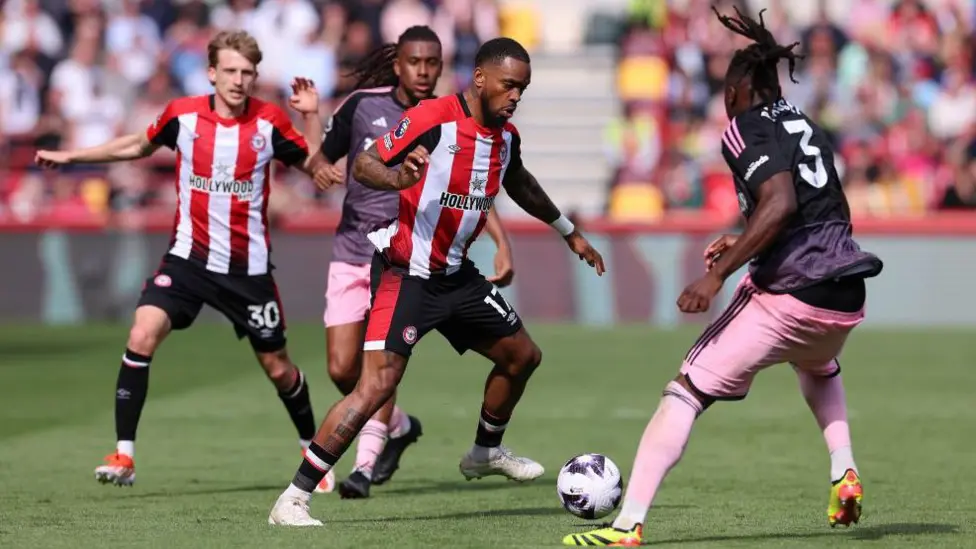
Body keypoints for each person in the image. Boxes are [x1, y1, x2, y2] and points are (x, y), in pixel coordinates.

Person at [562, 8, 884, 546]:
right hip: (846, 293)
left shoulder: (743, 128)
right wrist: (743, 236)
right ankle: (843, 469)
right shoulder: (806, 124)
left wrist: (716, 277)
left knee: (684, 390)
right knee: (817, 362)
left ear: (736, 91)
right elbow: (813, 208)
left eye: (726, 94)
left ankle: (625, 527)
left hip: (792, 293)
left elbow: (780, 203)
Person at [267, 36, 606, 526]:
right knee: (375, 386)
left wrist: (568, 232)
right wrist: (398, 179)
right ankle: (293, 498)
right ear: (481, 78)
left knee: (522, 356)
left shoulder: (505, 137)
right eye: (509, 85)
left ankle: (484, 452)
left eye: (523, 89)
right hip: (407, 273)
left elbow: (520, 181)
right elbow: (365, 163)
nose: (516, 96)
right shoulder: (433, 117)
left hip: (456, 277)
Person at [34, 30, 330, 487]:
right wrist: (73, 156)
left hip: (246, 270)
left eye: (247, 72)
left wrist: (310, 116)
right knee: (142, 332)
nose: (238, 80)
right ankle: (124, 455)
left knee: (278, 367)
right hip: (187, 260)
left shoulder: (268, 122)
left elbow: (314, 167)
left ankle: (312, 450)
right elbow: (137, 145)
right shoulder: (183, 116)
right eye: (229, 71)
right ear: (211, 73)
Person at [311, 25, 516, 498]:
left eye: (432, 63)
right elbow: (322, 160)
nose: (424, 72)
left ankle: (362, 469)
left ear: (442, 66)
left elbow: (474, 188)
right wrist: (310, 133)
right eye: (415, 62)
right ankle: (399, 427)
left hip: (404, 256)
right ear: (397, 64)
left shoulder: (452, 117)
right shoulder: (361, 106)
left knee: (380, 370)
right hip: (352, 249)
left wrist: (502, 241)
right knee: (342, 370)